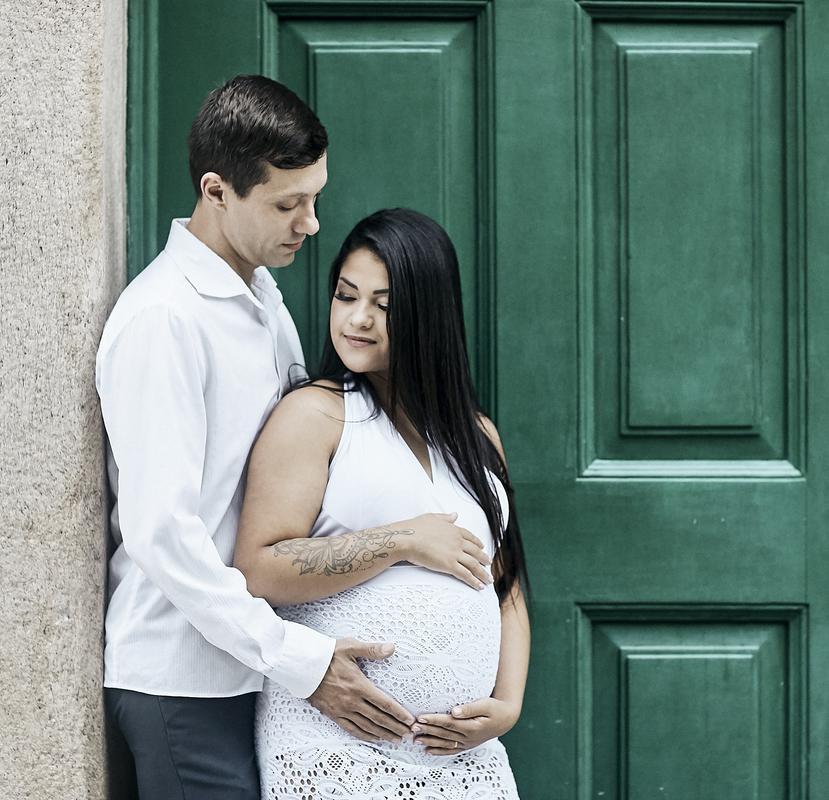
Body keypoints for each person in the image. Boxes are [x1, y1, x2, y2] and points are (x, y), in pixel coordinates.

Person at [97, 77, 484, 799]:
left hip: (253, 674)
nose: (310, 223)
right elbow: (161, 533)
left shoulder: (262, 298)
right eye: (287, 204)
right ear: (216, 192)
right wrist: (299, 660)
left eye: (314, 197)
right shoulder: (165, 319)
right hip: (186, 680)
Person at [234, 208, 530, 798]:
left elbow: (506, 583)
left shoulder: (478, 436)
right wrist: (401, 540)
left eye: (384, 305)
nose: (358, 318)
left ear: (428, 314)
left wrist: (508, 703)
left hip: (462, 758)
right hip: (334, 746)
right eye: (346, 296)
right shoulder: (315, 415)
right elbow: (258, 568)